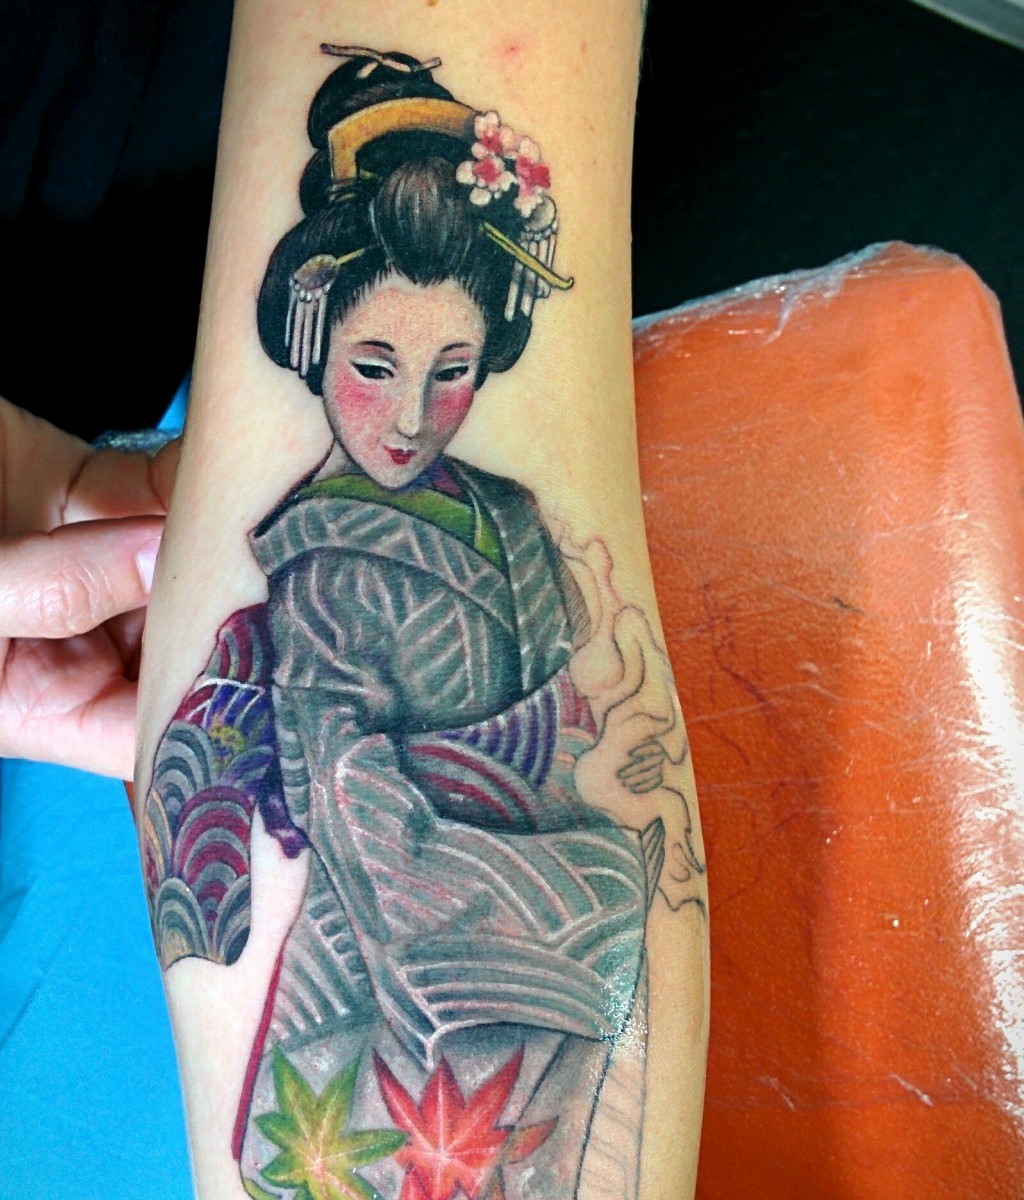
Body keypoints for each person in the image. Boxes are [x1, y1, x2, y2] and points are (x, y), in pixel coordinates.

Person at [140, 41, 704, 1200]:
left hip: (530, 864)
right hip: (391, 935)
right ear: (313, 338)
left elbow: (575, 705)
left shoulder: (511, 514)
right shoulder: (323, 561)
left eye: (452, 372)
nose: (410, 417)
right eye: (374, 365)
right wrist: (564, 887)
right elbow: (346, 789)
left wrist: (596, 774)